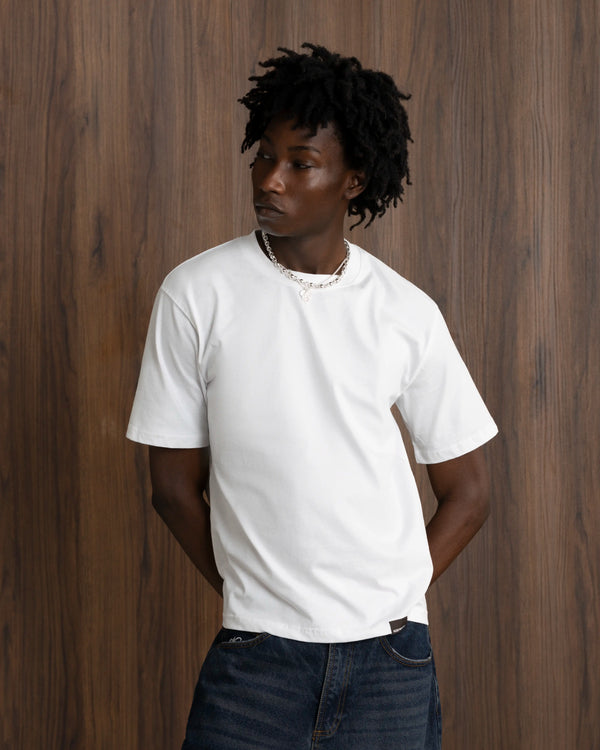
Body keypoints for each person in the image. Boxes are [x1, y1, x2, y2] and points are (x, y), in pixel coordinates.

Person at [127, 43, 498, 750]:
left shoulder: (404, 311)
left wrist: (392, 596)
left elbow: (469, 492)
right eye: (264, 157)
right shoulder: (196, 294)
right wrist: (255, 597)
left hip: (390, 660)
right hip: (257, 660)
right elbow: (172, 489)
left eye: (301, 163)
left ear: (353, 180)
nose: (271, 179)